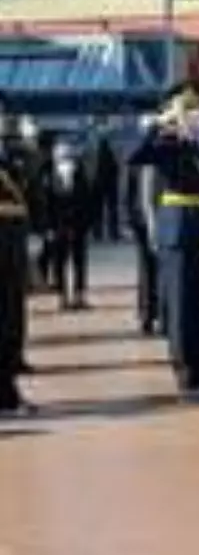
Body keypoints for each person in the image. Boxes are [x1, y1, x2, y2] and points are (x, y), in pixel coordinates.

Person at [128, 82, 199, 402]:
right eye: (187, 108)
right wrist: (163, 124)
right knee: (181, 307)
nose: (194, 114)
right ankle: (188, 376)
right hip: (178, 229)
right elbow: (136, 155)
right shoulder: (166, 141)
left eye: (196, 107)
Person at [0, 95, 38, 416]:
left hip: (13, 241)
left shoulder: (13, 154)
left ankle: (9, 391)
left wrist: (30, 142)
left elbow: (32, 186)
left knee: (13, 318)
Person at [44, 140, 93, 311]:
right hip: (59, 227)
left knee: (79, 261)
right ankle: (62, 296)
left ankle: (79, 295)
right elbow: (46, 205)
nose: (66, 160)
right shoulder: (49, 176)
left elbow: (87, 201)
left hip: (78, 226)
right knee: (59, 263)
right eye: (62, 156)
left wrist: (86, 225)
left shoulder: (80, 174)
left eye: (68, 156)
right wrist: (48, 228)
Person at [125, 117, 160, 336]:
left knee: (157, 270)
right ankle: (146, 316)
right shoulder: (137, 159)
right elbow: (127, 192)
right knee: (147, 270)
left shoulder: (161, 156)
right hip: (142, 222)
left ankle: (158, 314)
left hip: (160, 219)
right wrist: (129, 221)